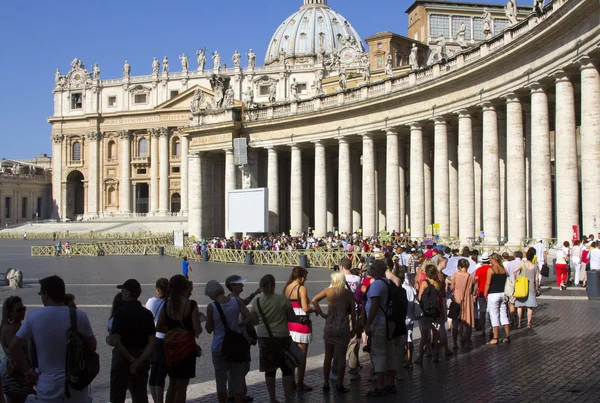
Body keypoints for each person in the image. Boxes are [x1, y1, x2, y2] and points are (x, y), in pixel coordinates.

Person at [9, 276, 96, 402]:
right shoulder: (79, 316)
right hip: (76, 385)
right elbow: (92, 346)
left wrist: (28, 372)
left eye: (40, 293)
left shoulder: (33, 318)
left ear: (46, 294)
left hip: (48, 387)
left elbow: (14, 347)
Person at [251, 274, 297, 403]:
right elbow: (292, 318)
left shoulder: (257, 301)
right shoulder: (282, 300)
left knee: (269, 370)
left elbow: (254, 320)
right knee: (287, 368)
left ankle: (272, 399)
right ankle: (288, 398)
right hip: (282, 336)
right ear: (274, 285)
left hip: (264, 338)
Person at [156, 275, 203, 403]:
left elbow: (159, 326)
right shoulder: (191, 304)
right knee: (182, 387)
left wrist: (172, 331)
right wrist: (186, 332)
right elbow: (198, 329)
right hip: (186, 349)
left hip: (170, 349)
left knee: (172, 383)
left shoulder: (167, 304)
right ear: (184, 288)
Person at [205, 280, 253, 403]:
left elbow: (209, 329)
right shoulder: (235, 301)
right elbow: (249, 317)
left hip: (219, 345)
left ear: (211, 294)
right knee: (237, 378)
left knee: (221, 379)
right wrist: (240, 324)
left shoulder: (212, 307)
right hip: (236, 343)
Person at [109, 279, 156, 403]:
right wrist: (139, 361)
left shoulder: (119, 314)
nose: (122, 293)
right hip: (141, 356)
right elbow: (151, 341)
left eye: (123, 291)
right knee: (140, 395)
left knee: (117, 396)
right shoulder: (147, 314)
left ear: (128, 293)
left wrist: (131, 359)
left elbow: (116, 341)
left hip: (122, 358)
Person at [312, 271, 356, 393]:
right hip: (342, 327)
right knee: (341, 357)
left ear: (335, 280)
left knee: (328, 356)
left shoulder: (328, 291)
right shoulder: (348, 294)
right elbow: (353, 312)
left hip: (330, 326)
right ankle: (340, 385)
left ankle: (325, 383)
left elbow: (314, 300)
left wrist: (322, 314)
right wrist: (355, 327)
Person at [364, 260, 397, 397]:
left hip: (379, 322)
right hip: (389, 322)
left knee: (378, 353)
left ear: (377, 271)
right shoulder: (388, 282)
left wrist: (367, 323)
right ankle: (391, 383)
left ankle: (380, 385)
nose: (369, 270)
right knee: (390, 352)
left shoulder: (377, 284)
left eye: (371, 268)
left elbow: (374, 305)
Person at [225, 275, 260, 403]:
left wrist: (254, 293)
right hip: (240, 338)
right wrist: (245, 334)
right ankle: (236, 394)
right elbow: (243, 317)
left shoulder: (232, 298)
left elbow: (243, 303)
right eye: (240, 284)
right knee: (242, 367)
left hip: (235, 337)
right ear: (233, 286)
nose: (242, 285)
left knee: (238, 367)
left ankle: (235, 393)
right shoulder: (233, 300)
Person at [283, 267, 314, 391]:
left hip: (290, 323)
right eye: (305, 277)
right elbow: (306, 308)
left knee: (291, 355)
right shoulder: (301, 288)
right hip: (301, 324)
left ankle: (292, 381)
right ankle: (300, 383)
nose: (305, 280)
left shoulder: (287, 287)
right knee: (301, 356)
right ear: (300, 277)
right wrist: (315, 309)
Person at [330, 258, 361, 381]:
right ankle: (353, 369)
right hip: (354, 312)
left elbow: (331, 294)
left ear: (341, 267)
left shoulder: (336, 279)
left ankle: (335, 370)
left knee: (339, 342)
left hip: (340, 313)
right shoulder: (358, 279)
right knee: (354, 340)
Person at [0, 296, 33, 403]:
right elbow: (16, 353)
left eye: (23, 308)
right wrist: (28, 372)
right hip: (14, 374)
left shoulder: (15, 326)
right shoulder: (10, 329)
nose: (22, 312)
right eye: (18, 310)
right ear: (10, 313)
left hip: (18, 373)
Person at [145, 278, 169, 403]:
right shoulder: (170, 303)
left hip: (154, 340)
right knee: (162, 373)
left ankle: (156, 400)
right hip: (167, 339)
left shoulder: (150, 302)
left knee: (154, 372)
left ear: (157, 289)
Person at [416, 264, 443, 364]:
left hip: (426, 313)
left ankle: (420, 357)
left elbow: (420, 297)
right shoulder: (438, 283)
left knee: (424, 335)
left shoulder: (424, 283)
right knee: (436, 334)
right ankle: (435, 355)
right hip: (436, 312)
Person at [485, 253, 510, 344]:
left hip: (493, 294)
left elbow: (488, 283)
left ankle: (495, 337)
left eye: (490, 259)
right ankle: (507, 335)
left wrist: (485, 293)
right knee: (504, 314)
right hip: (502, 293)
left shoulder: (491, 270)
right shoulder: (503, 269)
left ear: (494, 260)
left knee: (494, 315)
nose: (489, 261)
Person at [450, 258, 475, 349]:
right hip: (467, 299)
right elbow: (472, 288)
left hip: (457, 298)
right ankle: (468, 340)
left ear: (459, 266)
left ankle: (455, 342)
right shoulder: (470, 276)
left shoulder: (455, 275)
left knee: (456, 321)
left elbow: (452, 287)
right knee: (467, 321)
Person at [514, 248, 540, 330]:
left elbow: (514, 271)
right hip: (531, 287)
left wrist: (516, 280)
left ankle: (519, 323)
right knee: (530, 307)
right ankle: (529, 323)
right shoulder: (535, 266)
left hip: (522, 287)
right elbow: (536, 279)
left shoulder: (522, 264)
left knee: (520, 306)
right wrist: (537, 288)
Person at [475, 253, 492, 337]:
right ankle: (491, 328)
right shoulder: (492, 269)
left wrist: (474, 293)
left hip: (481, 293)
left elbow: (476, 284)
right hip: (490, 293)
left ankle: (482, 330)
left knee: (482, 312)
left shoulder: (478, 270)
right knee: (491, 312)